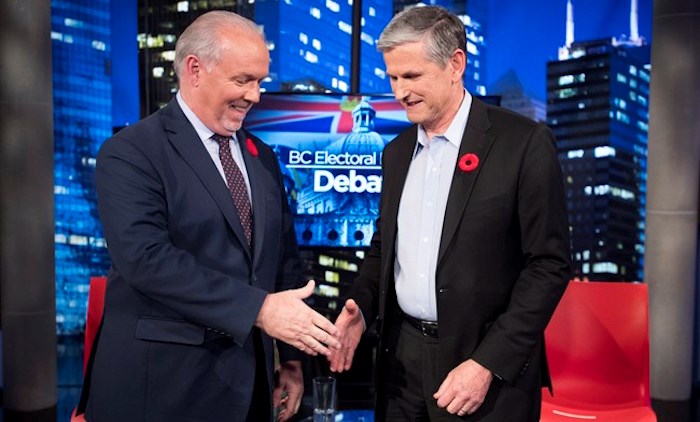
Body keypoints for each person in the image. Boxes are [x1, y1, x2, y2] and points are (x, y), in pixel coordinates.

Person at [77, 10, 340, 422]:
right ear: (194, 70)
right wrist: (259, 310)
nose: (254, 95)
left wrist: (290, 361)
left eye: (259, 82)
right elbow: (145, 258)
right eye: (242, 80)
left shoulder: (263, 158)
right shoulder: (131, 151)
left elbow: (281, 261)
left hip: (249, 389)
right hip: (162, 390)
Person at [329, 6, 571, 421]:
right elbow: (385, 249)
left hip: (483, 367)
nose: (400, 91)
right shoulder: (396, 153)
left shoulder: (524, 143)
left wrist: (488, 364)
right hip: (400, 365)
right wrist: (361, 305)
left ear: (455, 64)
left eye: (413, 76)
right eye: (393, 77)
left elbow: (548, 265)